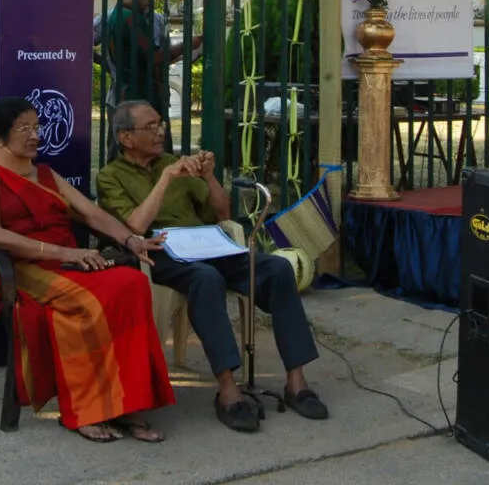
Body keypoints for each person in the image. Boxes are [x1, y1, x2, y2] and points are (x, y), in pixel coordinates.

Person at [95, 99, 329, 433]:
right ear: (126, 138)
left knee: (277, 270)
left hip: (205, 243)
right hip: (160, 252)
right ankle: (228, 391)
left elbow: (222, 213)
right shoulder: (110, 176)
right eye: (150, 127)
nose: (161, 131)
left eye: (160, 123)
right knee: (206, 279)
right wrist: (165, 179)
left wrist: (208, 178)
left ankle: (296, 382)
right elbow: (134, 227)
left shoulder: (175, 162)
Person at [0, 97, 175, 442]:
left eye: (36, 127)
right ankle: (87, 411)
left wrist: (131, 239)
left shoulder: (44, 173)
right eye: (23, 129)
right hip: (26, 266)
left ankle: (129, 405)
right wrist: (64, 252)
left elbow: (89, 213)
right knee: (89, 303)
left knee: (132, 283)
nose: (34, 135)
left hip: (66, 260)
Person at [101, 0, 199, 117]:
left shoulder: (116, 15)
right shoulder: (130, 19)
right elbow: (155, 57)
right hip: (138, 96)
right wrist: (189, 44)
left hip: (128, 93)